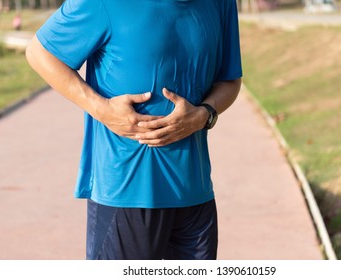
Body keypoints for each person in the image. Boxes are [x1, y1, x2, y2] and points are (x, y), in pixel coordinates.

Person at [26, 0, 242, 260]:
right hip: (126, 192)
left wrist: (204, 115)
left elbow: (230, 80)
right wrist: (103, 110)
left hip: (194, 193)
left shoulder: (221, 3)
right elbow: (40, 53)